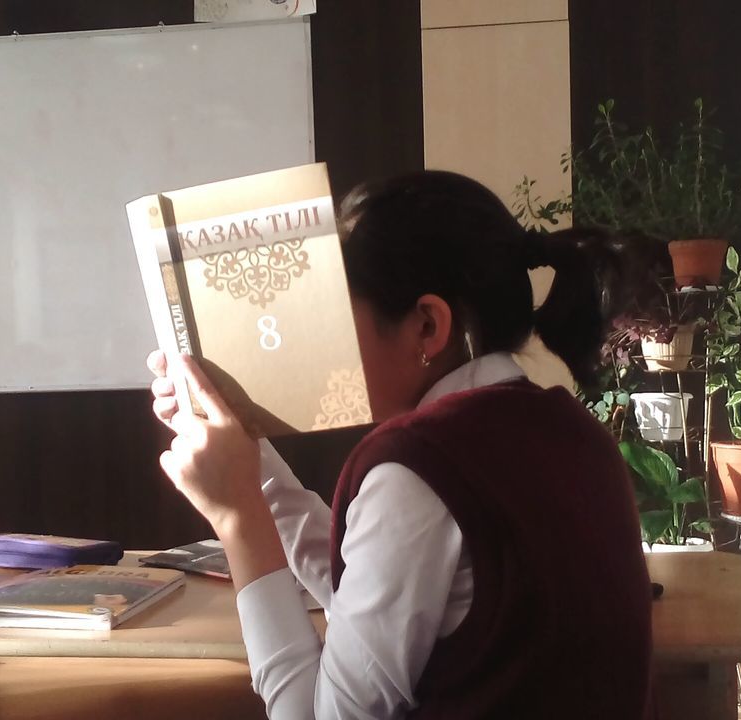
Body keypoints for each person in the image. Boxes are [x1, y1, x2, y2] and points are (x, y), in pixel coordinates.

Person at [147, 170, 653, 719]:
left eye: (339, 316)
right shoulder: (573, 433)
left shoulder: (421, 467)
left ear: (427, 326)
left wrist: (238, 519)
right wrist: (247, 457)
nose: (327, 346)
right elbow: (380, 585)